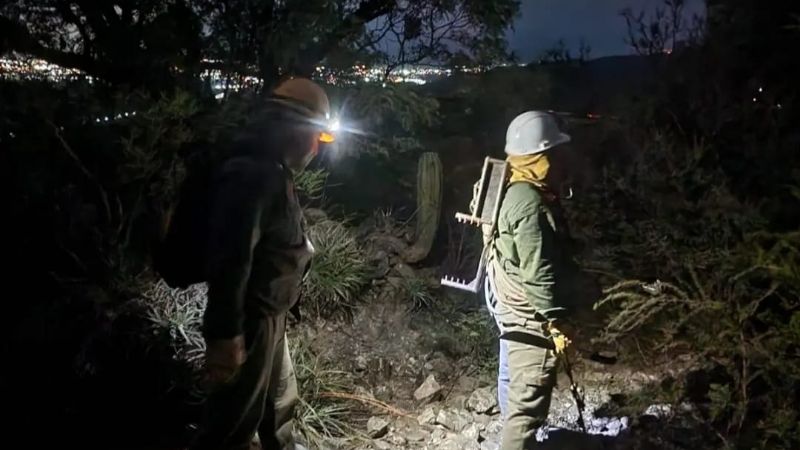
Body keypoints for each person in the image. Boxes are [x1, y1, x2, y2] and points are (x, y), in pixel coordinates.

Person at [190, 77, 335, 450]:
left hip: (270, 316)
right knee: (232, 424)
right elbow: (230, 258)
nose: (318, 148)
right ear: (292, 129)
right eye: (316, 136)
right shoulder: (250, 176)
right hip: (250, 321)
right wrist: (225, 335)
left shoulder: (271, 170)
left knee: (280, 402)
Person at [483, 111, 577, 450]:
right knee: (527, 404)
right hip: (527, 315)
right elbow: (538, 273)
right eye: (551, 154)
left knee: (511, 380)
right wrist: (556, 321)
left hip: (504, 305)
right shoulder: (528, 204)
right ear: (540, 157)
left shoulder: (506, 185)